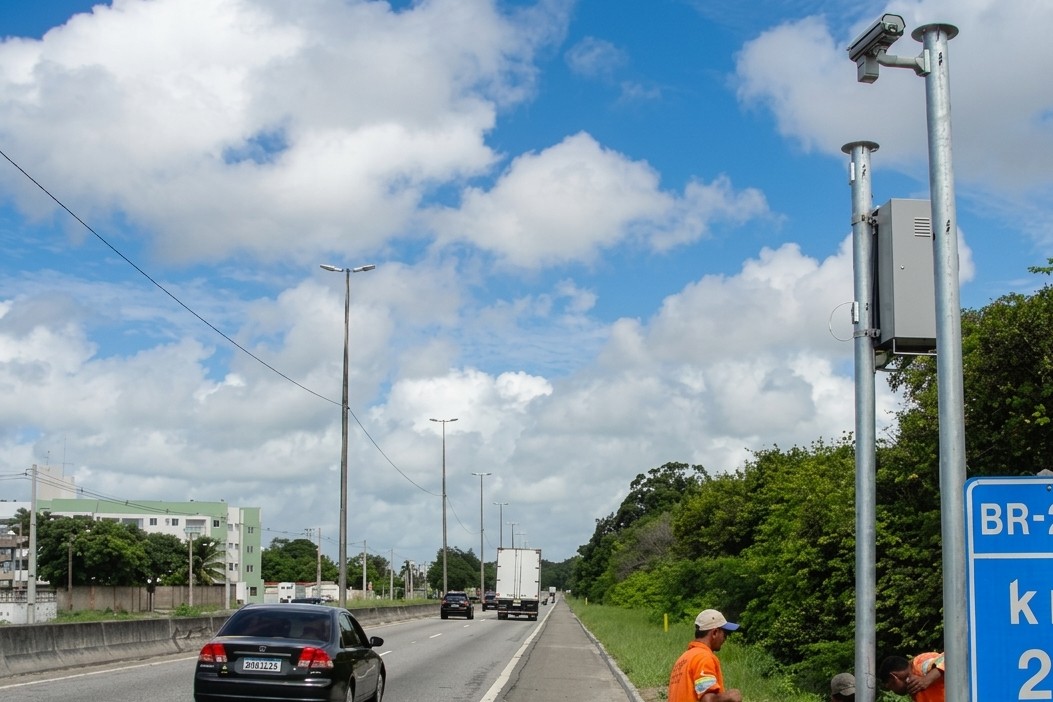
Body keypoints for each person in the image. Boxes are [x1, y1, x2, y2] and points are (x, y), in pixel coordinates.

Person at [667, 608, 743, 702]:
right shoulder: (703, 657)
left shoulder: (683, 658)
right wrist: (730, 697)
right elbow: (708, 700)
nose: (725, 639)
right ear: (715, 633)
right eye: (725, 634)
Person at [878, 653, 945, 701]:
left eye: (891, 687)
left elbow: (948, 658)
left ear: (894, 677)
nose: (893, 691)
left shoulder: (920, 664)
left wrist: (926, 680)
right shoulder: (913, 687)